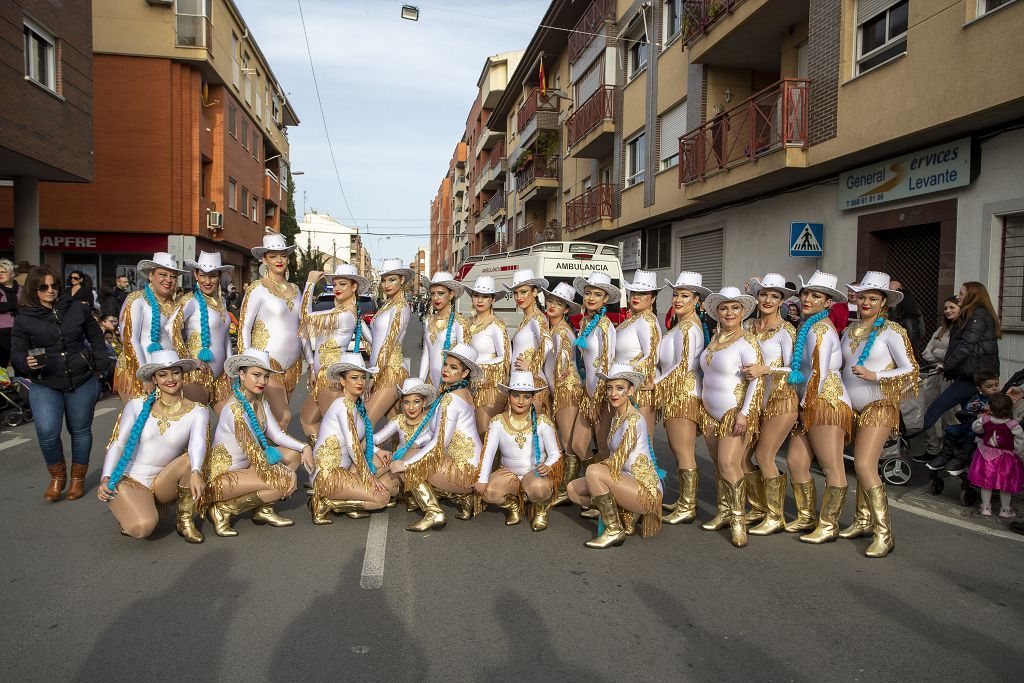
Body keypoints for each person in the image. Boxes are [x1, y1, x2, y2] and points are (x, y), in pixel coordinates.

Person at [11, 266, 111, 501]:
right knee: (46, 431)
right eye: (43, 287)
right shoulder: (24, 317)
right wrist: (25, 362)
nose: (50, 291)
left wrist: (101, 362)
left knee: (80, 430)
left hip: (81, 378)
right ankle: (57, 477)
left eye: (54, 285)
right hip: (45, 381)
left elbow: (95, 336)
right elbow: (17, 351)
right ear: (33, 289)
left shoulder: (77, 308)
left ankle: (78, 479)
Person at [837, 272, 919, 558]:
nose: (866, 302)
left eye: (873, 298)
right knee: (860, 465)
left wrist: (876, 376)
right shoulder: (849, 330)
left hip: (879, 405)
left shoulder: (892, 331)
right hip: (853, 408)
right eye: (863, 297)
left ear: (884, 302)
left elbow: (911, 369)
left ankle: (885, 533)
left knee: (863, 465)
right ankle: (862, 520)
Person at [97, 350, 208, 543]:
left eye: (175, 372)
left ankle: (184, 519)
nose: (170, 379)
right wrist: (106, 477)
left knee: (191, 461)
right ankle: (130, 505)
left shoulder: (197, 411)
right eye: (163, 374)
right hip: (130, 480)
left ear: (183, 374)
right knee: (143, 528)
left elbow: (198, 443)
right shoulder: (137, 405)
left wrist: (196, 472)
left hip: (162, 482)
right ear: (154, 379)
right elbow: (119, 443)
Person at [204, 348, 311, 537]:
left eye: (265, 376)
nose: (262, 381)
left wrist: (305, 447)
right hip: (223, 479)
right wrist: (286, 473)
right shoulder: (234, 410)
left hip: (247, 467)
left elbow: (277, 435)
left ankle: (263, 510)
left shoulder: (259, 401)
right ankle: (224, 509)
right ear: (241, 375)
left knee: (293, 455)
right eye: (256, 375)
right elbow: (254, 451)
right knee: (282, 480)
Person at [784, 271, 853, 542]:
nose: (807, 299)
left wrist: (804, 404)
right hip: (810, 402)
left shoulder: (822, 328)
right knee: (795, 460)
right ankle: (806, 515)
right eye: (805, 294)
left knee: (831, 466)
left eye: (816, 296)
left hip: (825, 402)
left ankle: (829, 524)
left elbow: (819, 373)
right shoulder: (809, 326)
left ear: (828, 303)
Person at [567, 363, 664, 549]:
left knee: (593, 472)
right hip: (625, 482)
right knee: (572, 489)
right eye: (610, 388)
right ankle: (620, 511)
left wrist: (597, 469)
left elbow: (617, 460)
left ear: (630, 391)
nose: (614, 393)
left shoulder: (634, 420)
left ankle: (613, 529)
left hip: (645, 492)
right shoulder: (617, 417)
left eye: (620, 388)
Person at [390, 343, 483, 532]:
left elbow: (439, 443)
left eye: (453, 367)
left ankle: (433, 512)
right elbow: (435, 432)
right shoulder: (458, 393)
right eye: (446, 364)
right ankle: (463, 499)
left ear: (464, 374)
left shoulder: (451, 399)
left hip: (465, 471)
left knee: (407, 463)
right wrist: (416, 443)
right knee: (413, 453)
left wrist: (406, 464)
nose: (446, 370)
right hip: (468, 466)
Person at [698, 287, 764, 548]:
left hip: (732, 413)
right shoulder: (715, 339)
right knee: (718, 465)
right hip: (710, 414)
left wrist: (745, 414)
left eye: (735, 308)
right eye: (724, 308)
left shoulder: (746, 341)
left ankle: (739, 521)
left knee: (728, 463)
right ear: (716, 312)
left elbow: (756, 380)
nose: (728, 313)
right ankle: (724, 511)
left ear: (743, 312)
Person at [308, 354, 400, 524]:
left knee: (390, 479)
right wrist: (368, 476)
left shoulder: (356, 405)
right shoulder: (342, 405)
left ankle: (350, 497)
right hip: (328, 475)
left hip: (348, 467)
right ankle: (324, 503)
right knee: (382, 498)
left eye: (363, 378)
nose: (360, 382)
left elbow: (359, 441)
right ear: (343, 381)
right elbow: (352, 445)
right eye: (354, 378)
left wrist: (378, 451)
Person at [739, 274, 797, 535]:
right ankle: (759, 507)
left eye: (775, 296)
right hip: (752, 402)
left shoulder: (787, 331)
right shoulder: (748, 326)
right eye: (764, 294)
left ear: (782, 301)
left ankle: (775, 516)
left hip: (780, 400)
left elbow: (795, 370)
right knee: (742, 458)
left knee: (764, 456)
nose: (768, 300)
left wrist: (766, 369)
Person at [474, 371, 562, 530]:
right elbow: (488, 452)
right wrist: (482, 479)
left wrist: (548, 466)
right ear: (508, 396)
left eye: (526, 397)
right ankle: (514, 505)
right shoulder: (497, 422)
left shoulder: (543, 422)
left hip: (534, 474)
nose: (521, 401)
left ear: (533, 398)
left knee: (538, 488)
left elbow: (555, 453)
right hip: (509, 475)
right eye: (516, 396)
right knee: (488, 492)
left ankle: (541, 509)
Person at [655, 271, 710, 525]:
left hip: (683, 394)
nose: (678, 299)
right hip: (675, 393)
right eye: (676, 294)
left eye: (685, 295)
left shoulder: (689, 328)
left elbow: (684, 366)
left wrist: (653, 385)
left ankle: (688, 506)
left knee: (683, 450)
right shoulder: (682, 325)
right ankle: (685, 502)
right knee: (679, 450)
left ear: (696, 300)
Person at [915, 281, 1001, 438]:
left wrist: (946, 365)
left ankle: (906, 436)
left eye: (961, 293)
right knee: (969, 417)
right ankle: (965, 455)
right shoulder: (974, 315)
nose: (958, 296)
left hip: (975, 376)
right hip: (972, 374)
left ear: (972, 295)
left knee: (937, 407)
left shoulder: (977, 315)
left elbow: (965, 346)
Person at [297, 264, 372, 442]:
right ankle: (323, 462)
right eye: (335, 284)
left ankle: (335, 465)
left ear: (354, 287)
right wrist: (312, 368)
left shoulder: (345, 315)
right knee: (307, 419)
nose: (337, 288)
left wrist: (310, 283)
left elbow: (305, 318)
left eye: (343, 284)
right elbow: (373, 341)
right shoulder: (338, 311)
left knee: (334, 433)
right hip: (323, 375)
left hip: (332, 378)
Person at [238, 234, 304, 428]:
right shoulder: (257, 289)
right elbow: (244, 326)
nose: (279, 260)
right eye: (273, 256)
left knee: (272, 422)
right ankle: (265, 457)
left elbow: (303, 327)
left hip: (293, 366)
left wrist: (310, 359)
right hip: (267, 363)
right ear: (264, 259)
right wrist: (247, 363)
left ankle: (263, 456)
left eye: (283, 255)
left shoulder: (295, 289)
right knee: (283, 417)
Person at [114, 252, 185, 402]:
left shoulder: (177, 304)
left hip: (165, 374)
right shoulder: (136, 300)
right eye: (163, 275)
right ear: (151, 276)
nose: (168, 280)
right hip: (136, 369)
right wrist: (144, 375)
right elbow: (130, 339)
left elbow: (177, 341)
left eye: (173, 276)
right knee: (139, 418)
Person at [171, 251, 234, 410]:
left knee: (231, 425)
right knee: (199, 426)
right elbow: (170, 327)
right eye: (203, 276)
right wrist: (187, 359)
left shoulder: (221, 302)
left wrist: (229, 363)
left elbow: (225, 335)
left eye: (212, 276)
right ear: (196, 275)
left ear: (219, 277)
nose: (207, 281)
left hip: (221, 376)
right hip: (197, 374)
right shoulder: (190, 301)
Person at [540, 282, 584, 506]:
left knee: (568, 440)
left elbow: (563, 365)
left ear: (566, 310)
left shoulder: (561, 332)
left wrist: (553, 388)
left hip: (566, 389)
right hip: (559, 388)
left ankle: (568, 488)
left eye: (558, 304)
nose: (552, 306)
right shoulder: (554, 329)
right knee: (565, 438)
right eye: (550, 302)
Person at [571, 271, 618, 465]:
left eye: (597, 294)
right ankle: (594, 484)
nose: (591, 298)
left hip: (602, 395)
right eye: (588, 293)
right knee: (578, 446)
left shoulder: (605, 325)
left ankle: (606, 490)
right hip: (587, 392)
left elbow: (606, 363)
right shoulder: (584, 323)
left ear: (605, 298)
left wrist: (597, 399)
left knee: (604, 447)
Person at [364, 258, 414, 424]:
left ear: (402, 280)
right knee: (396, 427)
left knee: (364, 424)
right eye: (384, 280)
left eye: (392, 280)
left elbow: (388, 343)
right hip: (380, 369)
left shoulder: (401, 306)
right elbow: (376, 341)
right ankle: (407, 450)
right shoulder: (387, 305)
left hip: (391, 371)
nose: (387, 285)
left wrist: (373, 376)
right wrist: (360, 325)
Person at [927, 368, 1002, 475]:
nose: (994, 388)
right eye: (989, 386)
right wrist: (973, 407)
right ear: (979, 389)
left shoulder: (1001, 399)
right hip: (973, 424)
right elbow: (968, 409)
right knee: (951, 429)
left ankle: (961, 460)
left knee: (971, 435)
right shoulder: (976, 398)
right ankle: (945, 455)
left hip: (987, 430)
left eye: (996, 385)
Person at [913, 296, 961, 460]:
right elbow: (926, 352)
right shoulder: (941, 330)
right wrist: (939, 361)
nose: (948, 311)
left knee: (949, 415)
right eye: (946, 308)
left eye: (952, 307)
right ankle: (932, 449)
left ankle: (949, 451)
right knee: (927, 410)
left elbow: (958, 355)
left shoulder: (963, 330)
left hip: (950, 376)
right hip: (934, 374)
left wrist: (944, 361)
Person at [615, 270, 663, 433]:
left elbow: (652, 356)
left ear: (653, 298)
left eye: (642, 294)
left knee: (641, 443)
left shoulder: (648, 319)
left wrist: (627, 378)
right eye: (633, 292)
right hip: (623, 387)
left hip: (638, 388)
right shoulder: (632, 320)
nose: (636, 296)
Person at [464, 275, 511, 432]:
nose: (480, 300)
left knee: (486, 432)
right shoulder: (468, 322)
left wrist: (479, 368)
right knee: (473, 433)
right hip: (470, 385)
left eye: (485, 296)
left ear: (493, 300)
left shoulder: (496, 325)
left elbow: (505, 358)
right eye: (476, 295)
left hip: (491, 387)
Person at [967, 393, 1023, 518]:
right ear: (1010, 409)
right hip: (1007, 458)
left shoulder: (985, 420)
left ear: (991, 409)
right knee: (1005, 485)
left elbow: (976, 429)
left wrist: (982, 418)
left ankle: (985, 507)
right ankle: (1005, 509)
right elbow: (1020, 444)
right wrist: (1021, 456)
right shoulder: (1014, 425)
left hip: (987, 455)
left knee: (986, 483)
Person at [507, 269, 551, 416]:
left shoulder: (537, 318)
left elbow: (548, 344)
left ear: (534, 292)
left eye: (524, 292)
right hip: (521, 383)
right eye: (516, 293)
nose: (519, 297)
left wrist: (531, 367)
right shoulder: (527, 319)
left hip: (532, 383)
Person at [418, 271, 467, 387]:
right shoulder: (428, 320)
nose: (436, 298)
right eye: (432, 293)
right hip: (431, 382)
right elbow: (426, 355)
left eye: (441, 293)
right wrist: (420, 382)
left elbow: (463, 360)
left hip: (450, 384)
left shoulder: (459, 322)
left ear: (451, 295)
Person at [889, 279, 926, 357]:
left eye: (891, 292)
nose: (889, 296)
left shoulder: (910, 320)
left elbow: (914, 340)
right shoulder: (890, 311)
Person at [0, 259, 20, 369]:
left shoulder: (21, 290)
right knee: (2, 364)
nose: (0, 274)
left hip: (20, 329)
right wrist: (15, 305)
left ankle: (21, 384)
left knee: (19, 362)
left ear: (12, 274)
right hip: (2, 331)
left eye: (3, 271)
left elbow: (27, 306)